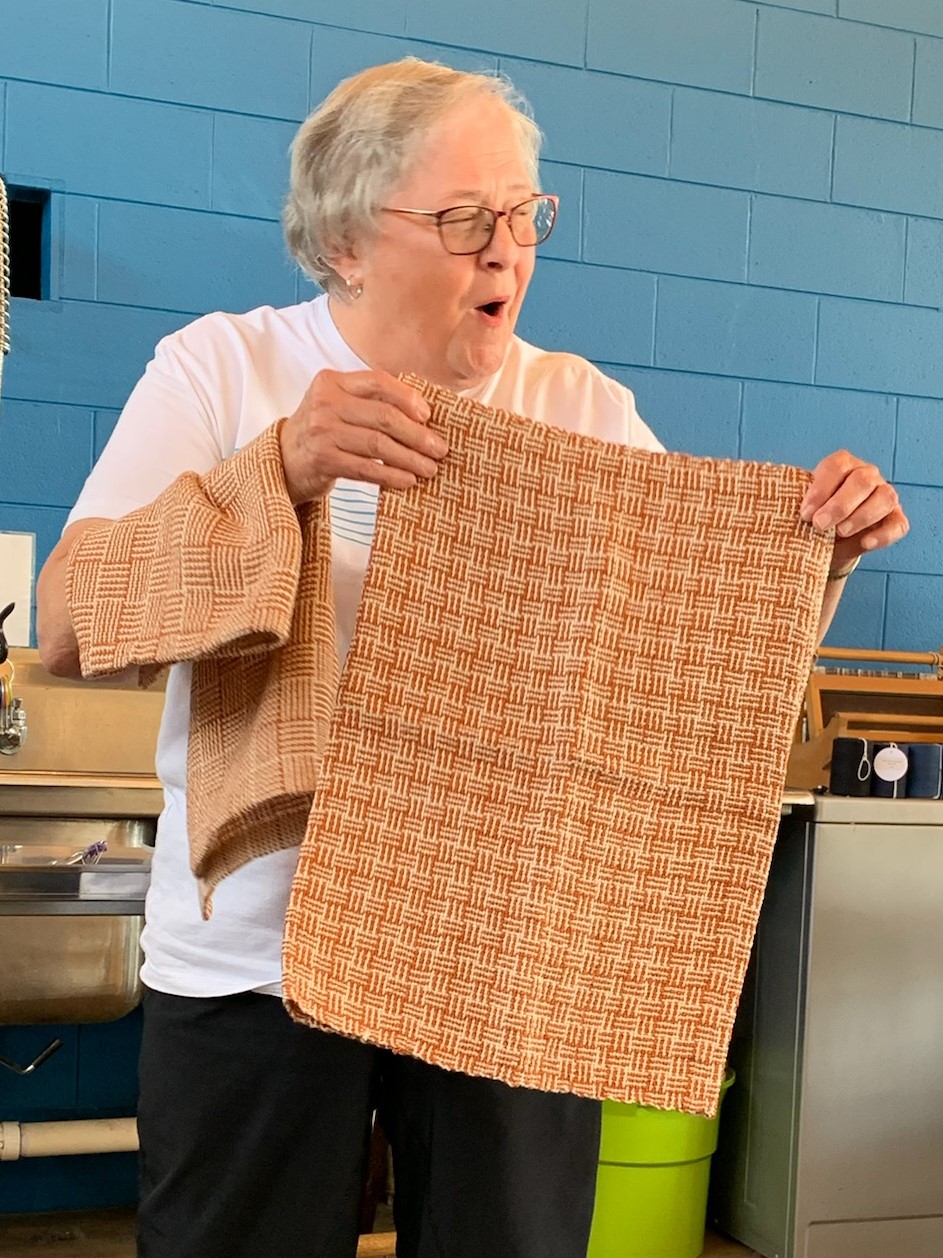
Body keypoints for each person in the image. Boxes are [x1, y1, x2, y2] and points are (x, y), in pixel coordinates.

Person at [36, 58, 907, 1258]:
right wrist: (278, 471)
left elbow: (689, 670)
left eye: (524, 213)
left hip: (507, 949)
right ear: (342, 241)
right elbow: (69, 623)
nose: (508, 252)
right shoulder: (226, 370)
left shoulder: (579, 410)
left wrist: (820, 555)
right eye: (464, 220)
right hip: (254, 960)